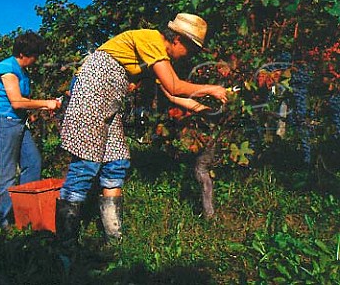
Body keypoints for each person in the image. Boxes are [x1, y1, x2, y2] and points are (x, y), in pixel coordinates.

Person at [56, 13, 227, 251]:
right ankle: (66, 248)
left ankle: (114, 241)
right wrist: (210, 88)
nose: (191, 55)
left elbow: (173, 95)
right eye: (191, 48)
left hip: (110, 100)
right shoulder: (151, 40)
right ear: (177, 39)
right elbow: (174, 85)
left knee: (116, 161)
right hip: (92, 93)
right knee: (85, 165)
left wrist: (208, 109)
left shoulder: (154, 57)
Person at [0, 31, 60, 228]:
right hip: (4, 123)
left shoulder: (22, 71)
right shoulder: (8, 69)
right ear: (25, 54)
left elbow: (24, 102)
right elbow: (17, 102)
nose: (36, 60)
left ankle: (22, 211)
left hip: (17, 123)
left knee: (33, 162)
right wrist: (46, 103)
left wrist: (46, 106)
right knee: (5, 173)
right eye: (35, 56)